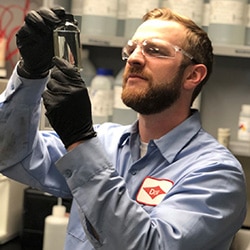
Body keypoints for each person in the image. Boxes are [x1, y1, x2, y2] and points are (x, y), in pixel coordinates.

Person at [0, 6, 247, 250]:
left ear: (193, 75)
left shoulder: (216, 173)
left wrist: (80, 141)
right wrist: (31, 73)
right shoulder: (105, 141)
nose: (135, 58)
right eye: (132, 49)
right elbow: (11, 155)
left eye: (155, 50)